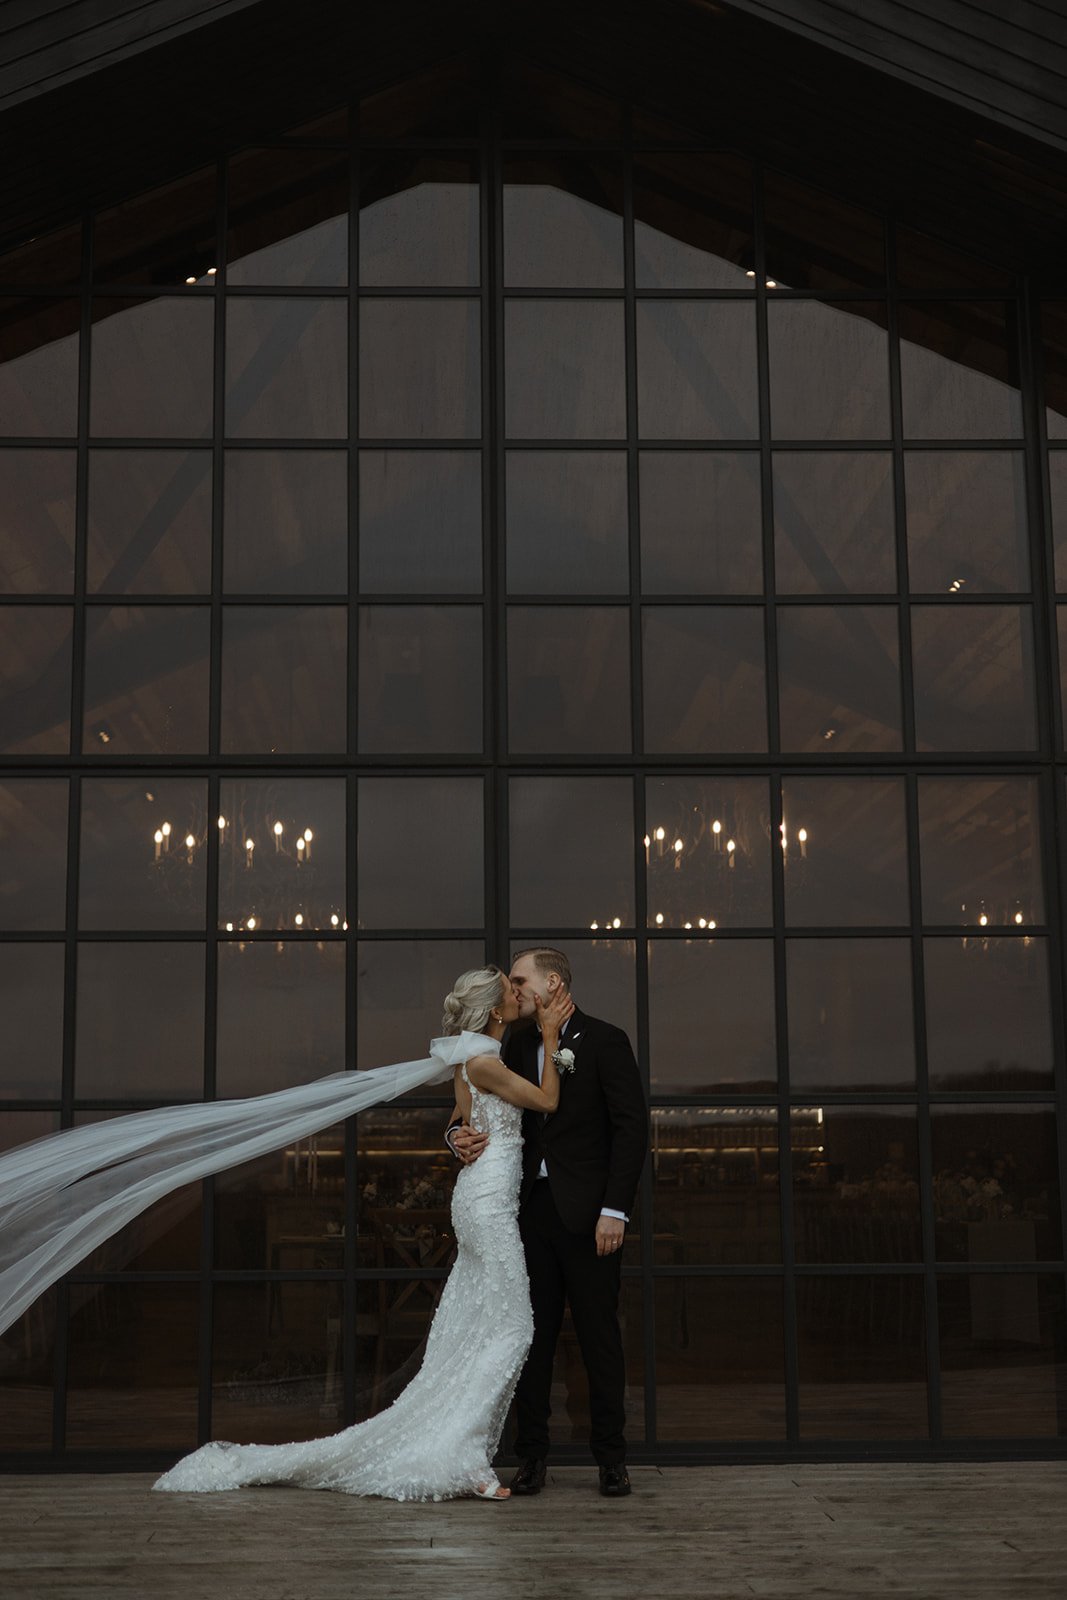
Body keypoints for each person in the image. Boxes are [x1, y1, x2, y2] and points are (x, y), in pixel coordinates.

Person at [0, 965, 571, 1504]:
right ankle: (461, 1458)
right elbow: (545, 1099)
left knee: (470, 1330)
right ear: (495, 1011)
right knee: (516, 1325)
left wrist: (456, 1135)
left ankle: (458, 1450)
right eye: (510, 987)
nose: (517, 992)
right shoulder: (486, 1059)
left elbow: (460, 1118)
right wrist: (548, 1033)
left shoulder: (475, 1054)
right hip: (487, 1203)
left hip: (479, 1198)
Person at [448, 947, 648, 1498]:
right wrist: (456, 1138)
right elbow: (468, 1110)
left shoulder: (606, 1040)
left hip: (589, 1217)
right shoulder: (510, 1043)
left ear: (551, 983)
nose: (513, 991)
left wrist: (615, 1210)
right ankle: (532, 1456)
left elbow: (631, 1130)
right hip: (523, 1214)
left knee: (597, 1335)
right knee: (526, 1337)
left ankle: (612, 1458)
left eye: (520, 980)